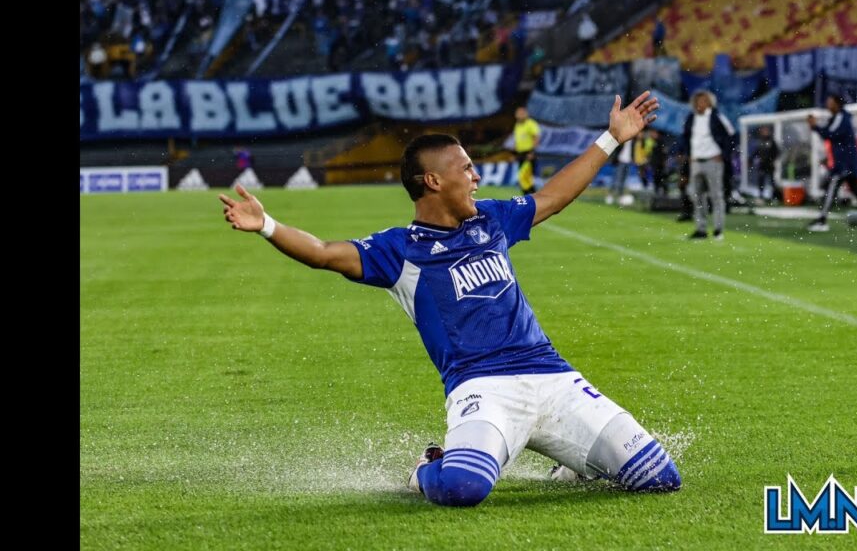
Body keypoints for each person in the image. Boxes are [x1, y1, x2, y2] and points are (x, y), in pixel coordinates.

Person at [218, 92, 681, 508]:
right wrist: (267, 226)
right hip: (483, 390)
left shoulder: (491, 219)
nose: (477, 177)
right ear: (434, 181)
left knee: (658, 476)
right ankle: (425, 469)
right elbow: (323, 253)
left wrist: (611, 138)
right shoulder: (399, 250)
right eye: (466, 169)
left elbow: (552, 198)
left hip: (552, 377)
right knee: (462, 487)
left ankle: (575, 464)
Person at [806, 94, 857, 231]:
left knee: (830, 189)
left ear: (837, 104)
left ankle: (822, 220)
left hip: (844, 163)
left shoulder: (841, 117)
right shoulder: (838, 118)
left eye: (830, 102)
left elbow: (830, 134)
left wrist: (815, 126)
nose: (827, 105)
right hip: (847, 162)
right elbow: (831, 135)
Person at [680, 90, 737, 240]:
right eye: (698, 101)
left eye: (704, 101)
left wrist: (723, 155)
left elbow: (731, 136)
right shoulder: (691, 118)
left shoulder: (717, 117)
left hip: (713, 160)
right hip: (696, 161)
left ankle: (718, 229)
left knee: (716, 196)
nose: (700, 104)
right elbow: (685, 137)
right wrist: (688, 155)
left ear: (710, 103)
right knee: (697, 196)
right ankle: (701, 230)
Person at [512, 106, 541, 194]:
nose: (519, 115)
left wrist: (532, 152)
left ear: (526, 114)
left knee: (523, 175)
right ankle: (530, 195)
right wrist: (515, 151)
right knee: (525, 177)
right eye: (518, 113)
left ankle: (531, 195)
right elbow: (518, 139)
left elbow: (536, 137)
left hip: (528, 153)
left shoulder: (531, 124)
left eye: (522, 113)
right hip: (520, 154)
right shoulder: (517, 125)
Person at [751, 125, 780, 203]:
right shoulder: (760, 142)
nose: (765, 132)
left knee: (772, 181)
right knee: (761, 181)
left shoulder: (772, 141)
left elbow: (777, 152)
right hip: (762, 165)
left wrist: (772, 160)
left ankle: (774, 197)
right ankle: (761, 196)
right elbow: (756, 152)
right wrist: (751, 159)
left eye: (766, 130)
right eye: (763, 130)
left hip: (769, 165)